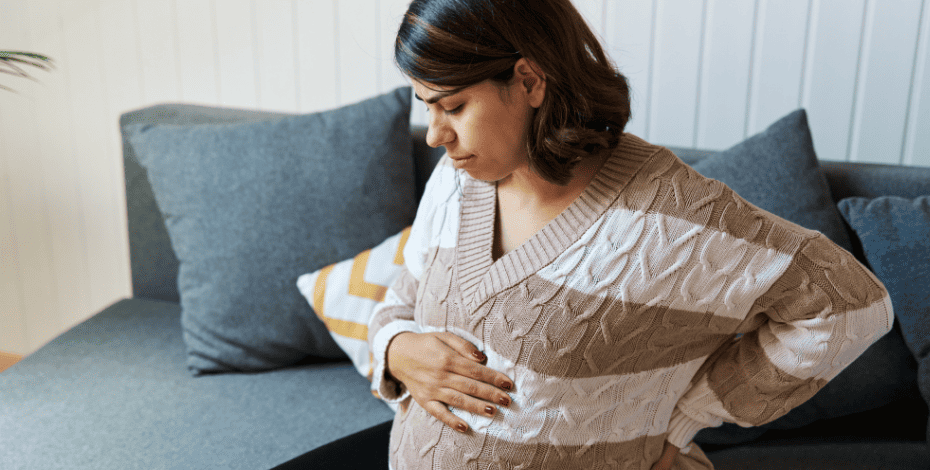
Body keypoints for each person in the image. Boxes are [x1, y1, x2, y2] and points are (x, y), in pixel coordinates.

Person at [274, 0, 893, 469]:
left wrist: (683, 416)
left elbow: (849, 306)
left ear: (529, 81)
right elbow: (408, 287)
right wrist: (396, 349)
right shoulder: (459, 175)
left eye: (452, 105)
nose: (434, 133)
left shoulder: (671, 220)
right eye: (424, 105)